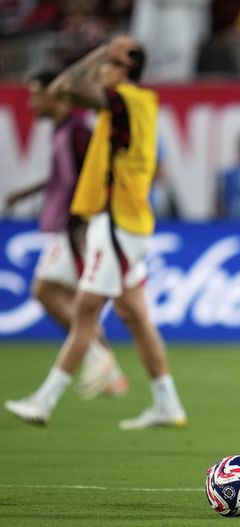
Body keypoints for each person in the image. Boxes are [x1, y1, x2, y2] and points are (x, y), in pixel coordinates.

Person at [4, 35, 187, 430]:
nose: (101, 70)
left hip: (117, 223)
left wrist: (103, 50)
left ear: (122, 71)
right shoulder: (133, 106)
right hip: (126, 222)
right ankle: (166, 403)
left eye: (109, 65)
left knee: (85, 311)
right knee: (136, 317)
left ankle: (44, 400)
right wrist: (109, 55)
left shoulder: (122, 100)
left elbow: (63, 87)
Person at [4, 69, 128, 400]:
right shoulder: (64, 131)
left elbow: (94, 177)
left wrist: (86, 225)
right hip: (69, 226)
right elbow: (65, 176)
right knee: (67, 298)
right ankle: (106, 368)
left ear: (54, 95)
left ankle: (102, 364)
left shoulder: (77, 132)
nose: (30, 103)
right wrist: (29, 192)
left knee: (61, 296)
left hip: (78, 228)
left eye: (35, 94)